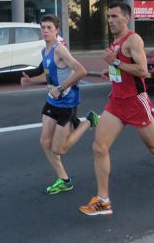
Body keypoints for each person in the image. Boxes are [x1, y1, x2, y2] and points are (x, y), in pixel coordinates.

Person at [79, 1, 154, 217]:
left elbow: (143, 71)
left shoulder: (133, 39)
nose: (110, 20)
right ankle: (103, 201)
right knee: (99, 147)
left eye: (115, 16)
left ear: (127, 18)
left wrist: (116, 64)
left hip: (136, 102)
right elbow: (121, 68)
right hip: (116, 101)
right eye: (108, 16)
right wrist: (112, 71)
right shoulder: (114, 40)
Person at [21, 14, 100, 195]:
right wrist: (30, 81)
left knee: (59, 149)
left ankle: (88, 120)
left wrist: (61, 87)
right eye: (43, 27)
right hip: (52, 101)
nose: (45, 31)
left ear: (57, 30)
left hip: (66, 103)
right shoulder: (45, 51)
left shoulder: (60, 50)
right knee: (44, 141)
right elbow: (48, 76)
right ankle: (64, 180)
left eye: (49, 27)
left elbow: (81, 71)